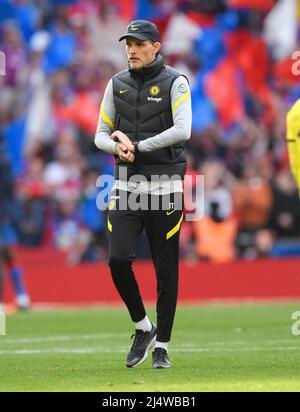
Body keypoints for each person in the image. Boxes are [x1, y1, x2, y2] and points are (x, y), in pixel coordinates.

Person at [95, 20, 192, 368]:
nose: (132, 50)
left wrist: (137, 145)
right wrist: (118, 146)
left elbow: (183, 129)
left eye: (138, 44)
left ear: (156, 46)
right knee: (117, 260)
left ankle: (163, 346)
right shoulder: (116, 83)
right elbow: (100, 134)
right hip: (126, 187)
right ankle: (143, 327)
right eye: (128, 44)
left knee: (166, 272)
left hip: (166, 187)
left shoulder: (176, 82)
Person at [0, 134, 30, 311]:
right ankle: (21, 294)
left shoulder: (3, 160)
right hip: (6, 212)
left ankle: (6, 301)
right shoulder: (6, 159)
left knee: (5, 254)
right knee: (8, 254)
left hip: (3, 212)